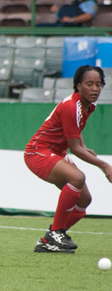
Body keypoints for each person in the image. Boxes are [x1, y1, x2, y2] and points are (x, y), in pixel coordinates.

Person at [25, 65, 112, 254]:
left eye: (98, 84)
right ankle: (56, 232)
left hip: (56, 153)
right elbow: (75, 149)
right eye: (89, 84)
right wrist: (104, 165)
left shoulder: (88, 106)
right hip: (38, 152)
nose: (95, 88)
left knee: (84, 200)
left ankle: (48, 241)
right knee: (77, 178)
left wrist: (83, 145)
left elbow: (75, 131)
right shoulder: (71, 106)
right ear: (78, 86)